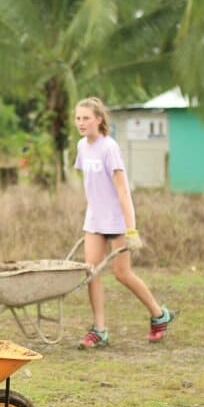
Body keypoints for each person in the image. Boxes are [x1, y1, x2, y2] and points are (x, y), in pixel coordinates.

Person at [72, 97, 175, 349]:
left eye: (86, 118)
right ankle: (100, 330)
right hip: (94, 220)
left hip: (117, 221)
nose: (81, 123)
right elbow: (90, 184)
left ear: (98, 119)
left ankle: (159, 314)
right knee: (91, 272)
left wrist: (131, 229)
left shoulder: (110, 147)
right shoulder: (81, 146)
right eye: (78, 118)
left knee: (122, 274)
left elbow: (122, 191)